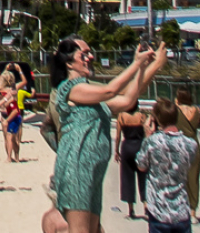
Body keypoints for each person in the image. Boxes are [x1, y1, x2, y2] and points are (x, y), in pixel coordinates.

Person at [40, 43, 165, 233]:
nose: (89, 58)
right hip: (77, 167)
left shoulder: (90, 96)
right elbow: (110, 91)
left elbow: (128, 100)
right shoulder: (69, 88)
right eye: (83, 55)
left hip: (93, 170)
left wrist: (142, 67)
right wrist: (136, 63)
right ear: (69, 64)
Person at [135, 99, 198, 233]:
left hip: (158, 211)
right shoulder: (191, 144)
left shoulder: (152, 142)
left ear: (157, 119)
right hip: (181, 211)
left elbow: (141, 166)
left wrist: (147, 136)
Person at [174, 88, 200, 224]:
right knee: (193, 178)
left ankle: (179, 209)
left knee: (178, 177)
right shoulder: (196, 110)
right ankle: (193, 212)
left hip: (179, 144)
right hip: (194, 144)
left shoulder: (175, 109)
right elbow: (196, 124)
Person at [115, 104, 147, 220]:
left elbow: (118, 136)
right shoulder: (142, 116)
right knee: (143, 177)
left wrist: (116, 151)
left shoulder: (121, 117)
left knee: (127, 178)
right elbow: (147, 132)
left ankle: (131, 209)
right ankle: (146, 205)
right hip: (140, 146)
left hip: (127, 146)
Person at [4, 69, 29, 163]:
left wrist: (20, 70)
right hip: (9, 114)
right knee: (10, 139)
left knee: (11, 138)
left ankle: (11, 157)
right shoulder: (2, 87)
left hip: (14, 114)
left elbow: (24, 82)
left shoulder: (14, 87)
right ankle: (13, 157)